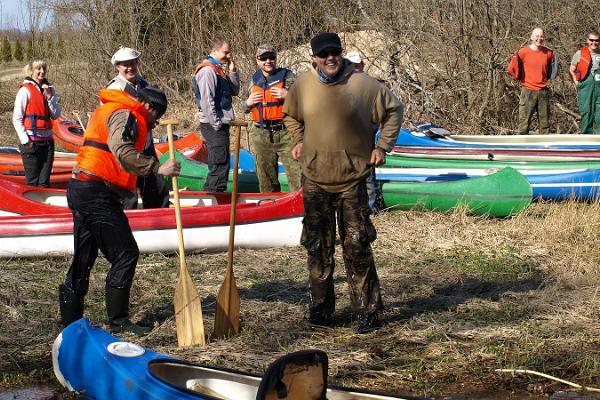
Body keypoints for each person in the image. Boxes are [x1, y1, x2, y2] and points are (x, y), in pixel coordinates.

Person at [283, 32, 403, 334]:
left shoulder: (363, 85)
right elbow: (290, 116)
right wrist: (299, 141)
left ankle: (367, 312)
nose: (330, 58)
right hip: (315, 179)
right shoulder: (302, 87)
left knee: (357, 245)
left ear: (341, 53)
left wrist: (382, 146)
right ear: (313, 57)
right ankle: (322, 310)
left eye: (335, 52)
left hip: (352, 178)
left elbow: (393, 110)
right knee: (317, 246)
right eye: (323, 54)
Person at [58, 87, 181, 335]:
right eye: (155, 120)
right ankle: (119, 322)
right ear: (149, 108)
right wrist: (157, 168)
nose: (154, 125)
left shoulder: (115, 110)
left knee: (84, 258)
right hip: (95, 192)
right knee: (126, 253)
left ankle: (70, 324)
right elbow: (121, 150)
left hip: (82, 187)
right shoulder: (127, 115)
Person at [107, 46, 169, 208]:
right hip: (126, 149)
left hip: (146, 146)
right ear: (117, 67)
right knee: (128, 197)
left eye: (132, 63)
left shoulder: (145, 85)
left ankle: (159, 221)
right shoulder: (114, 88)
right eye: (125, 65)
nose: (129, 68)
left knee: (158, 190)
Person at [240, 44, 300, 192]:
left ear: (276, 58)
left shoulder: (289, 77)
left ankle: (299, 208)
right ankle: (269, 205)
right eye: (263, 58)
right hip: (261, 134)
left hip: (286, 132)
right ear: (257, 60)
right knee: (266, 178)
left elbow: (305, 99)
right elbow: (242, 106)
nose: (268, 61)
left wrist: (289, 95)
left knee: (296, 175)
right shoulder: (252, 81)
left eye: (271, 57)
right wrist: (248, 103)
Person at [192, 37, 240, 192]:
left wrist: (232, 71)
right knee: (219, 163)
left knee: (222, 161)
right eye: (225, 52)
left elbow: (235, 91)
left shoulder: (219, 69)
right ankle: (213, 197)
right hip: (213, 125)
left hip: (219, 123)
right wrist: (217, 123)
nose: (228, 56)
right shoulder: (207, 71)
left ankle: (216, 194)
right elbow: (207, 100)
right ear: (214, 51)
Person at [345, 50, 384, 214]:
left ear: (362, 65)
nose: (355, 68)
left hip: (367, 136)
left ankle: (371, 208)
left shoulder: (374, 86)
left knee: (368, 174)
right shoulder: (340, 85)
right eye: (351, 65)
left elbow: (386, 111)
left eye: (357, 64)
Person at [12, 59, 62, 187]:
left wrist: (50, 98)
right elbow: (17, 118)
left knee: (44, 182)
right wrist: (26, 141)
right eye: (38, 68)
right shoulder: (25, 90)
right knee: (32, 183)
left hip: (48, 143)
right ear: (32, 71)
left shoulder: (50, 89)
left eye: (44, 68)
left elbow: (55, 115)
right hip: (31, 143)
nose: (42, 71)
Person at [506, 27, 557, 134]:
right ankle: (522, 149)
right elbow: (511, 68)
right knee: (524, 124)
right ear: (531, 37)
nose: (539, 38)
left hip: (543, 91)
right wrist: (520, 78)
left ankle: (545, 149)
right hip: (528, 91)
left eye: (541, 36)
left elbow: (552, 71)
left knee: (545, 126)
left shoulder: (549, 53)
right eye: (537, 36)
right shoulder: (523, 52)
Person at [569, 32, 600, 134]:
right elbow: (572, 69)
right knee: (586, 112)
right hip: (585, 87)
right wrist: (577, 83)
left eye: (596, 40)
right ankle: (586, 139)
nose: (594, 42)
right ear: (587, 40)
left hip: (599, 88)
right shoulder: (580, 53)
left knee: (599, 114)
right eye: (591, 40)